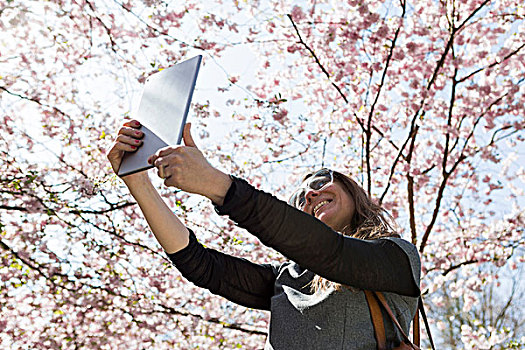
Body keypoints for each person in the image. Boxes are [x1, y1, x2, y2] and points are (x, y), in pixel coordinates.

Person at [107, 120, 421, 349]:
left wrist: (215, 185)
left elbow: (331, 254)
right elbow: (200, 264)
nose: (310, 195)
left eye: (322, 181)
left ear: (353, 192)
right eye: (300, 199)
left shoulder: (395, 259)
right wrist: (138, 183)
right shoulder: (285, 280)